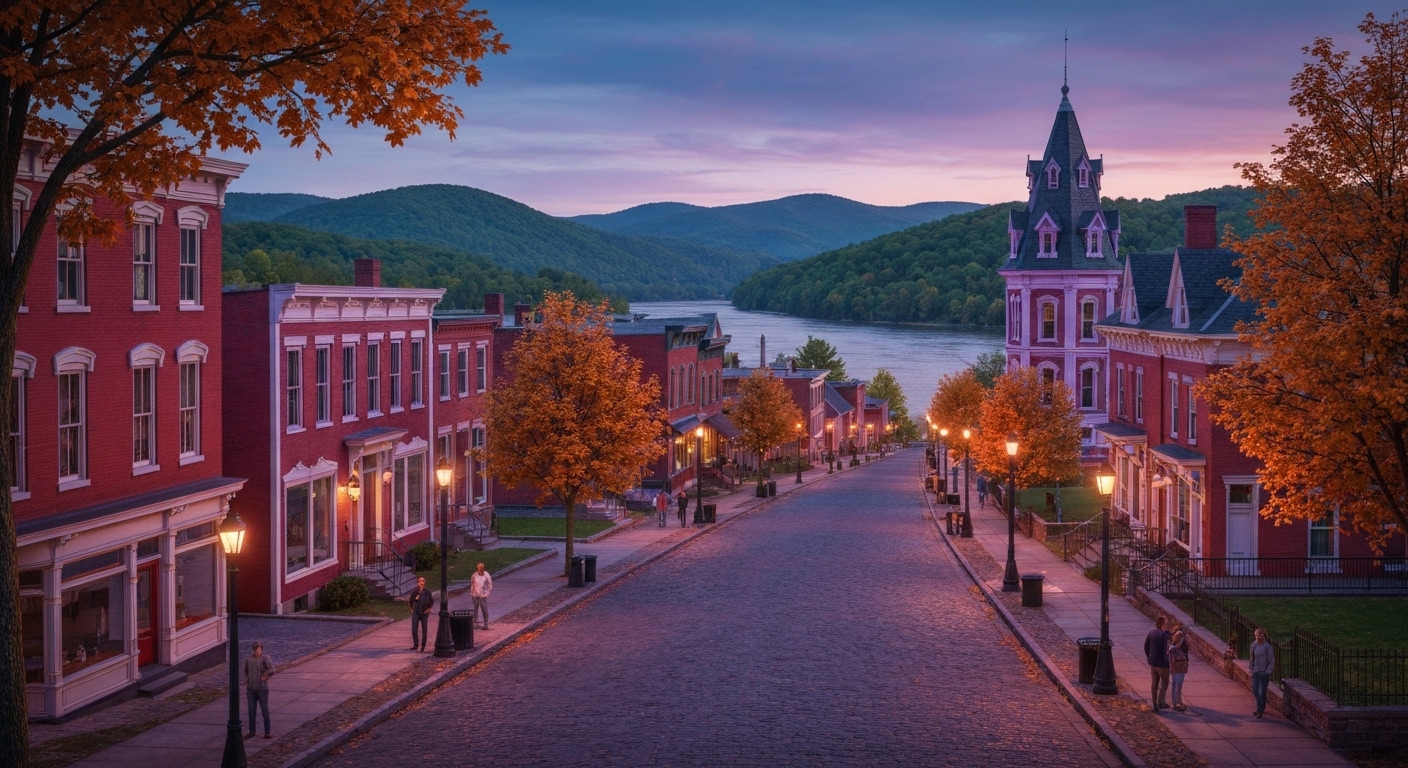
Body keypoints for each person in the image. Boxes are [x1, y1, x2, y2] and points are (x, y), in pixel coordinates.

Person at [244, 641, 275, 739]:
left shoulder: (265, 658)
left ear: (261, 650)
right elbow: (246, 671)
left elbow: (272, 670)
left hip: (262, 689)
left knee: (264, 710)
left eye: (258, 649)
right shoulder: (249, 659)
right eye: (255, 649)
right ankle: (252, 731)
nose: (256, 651)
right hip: (251, 689)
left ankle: (267, 731)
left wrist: (265, 675)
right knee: (251, 711)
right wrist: (247, 679)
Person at [1144, 615, 1171, 711]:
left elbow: (1146, 647)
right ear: (1163, 624)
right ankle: (1161, 701)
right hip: (1162, 663)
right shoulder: (1164, 636)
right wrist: (1166, 661)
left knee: (1154, 683)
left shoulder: (1151, 633)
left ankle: (1154, 703)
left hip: (1153, 663)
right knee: (1165, 682)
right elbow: (1165, 650)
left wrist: (1149, 657)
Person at [1250, 627, 1275, 718]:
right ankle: (1259, 708)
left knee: (1261, 692)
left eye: (1260, 635)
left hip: (1263, 673)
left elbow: (1271, 660)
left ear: (1264, 636)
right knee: (1255, 691)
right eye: (1257, 635)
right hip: (1256, 672)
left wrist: (1268, 671)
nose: (1258, 637)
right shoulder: (1254, 645)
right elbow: (1251, 657)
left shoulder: (1267, 647)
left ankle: (1260, 710)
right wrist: (1251, 668)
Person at [407, 576, 435, 652]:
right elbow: (411, 601)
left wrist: (429, 609)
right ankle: (415, 644)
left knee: (424, 629)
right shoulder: (415, 592)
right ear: (418, 582)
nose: (421, 583)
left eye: (423, 581)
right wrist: (411, 608)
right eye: (420, 581)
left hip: (424, 612)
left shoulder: (427, 592)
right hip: (416, 612)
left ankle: (423, 645)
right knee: (414, 629)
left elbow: (431, 601)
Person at [1168, 624, 1190, 712]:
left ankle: (1175, 702)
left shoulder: (1172, 647)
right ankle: (1178, 703)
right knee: (1178, 684)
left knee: (1175, 684)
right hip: (1179, 664)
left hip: (1176, 664)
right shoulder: (1178, 641)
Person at [470, 562, 493, 631]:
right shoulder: (474, 575)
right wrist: (472, 593)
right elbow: (472, 584)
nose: (480, 570)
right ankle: (474, 623)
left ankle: (486, 625)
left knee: (484, 610)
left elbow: (489, 586)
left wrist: (485, 594)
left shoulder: (486, 575)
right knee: (475, 610)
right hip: (475, 595)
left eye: (481, 569)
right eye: (478, 569)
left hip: (482, 595)